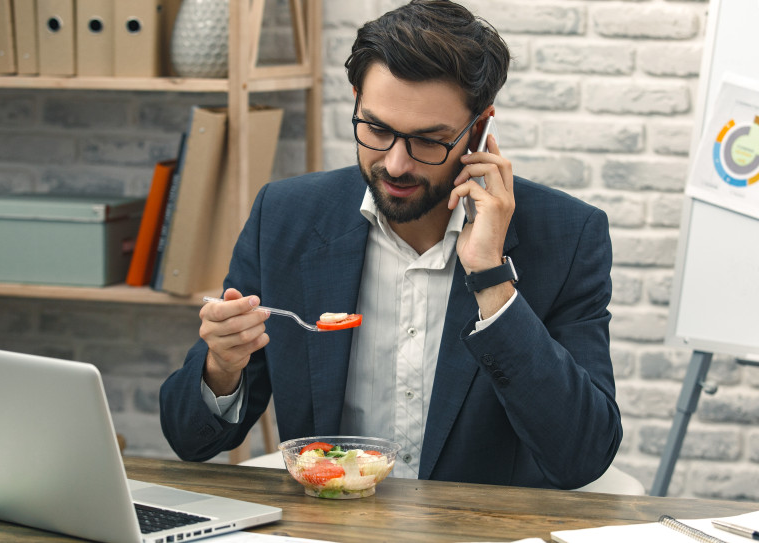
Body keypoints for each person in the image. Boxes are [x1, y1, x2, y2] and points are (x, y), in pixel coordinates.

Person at [160, 0, 622, 490]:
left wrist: (491, 277)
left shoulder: (568, 236)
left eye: (429, 140)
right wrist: (222, 366)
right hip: (330, 519)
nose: (397, 164)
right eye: (377, 129)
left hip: (477, 525)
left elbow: (582, 456)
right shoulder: (285, 217)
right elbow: (190, 440)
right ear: (356, 102)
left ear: (479, 129)